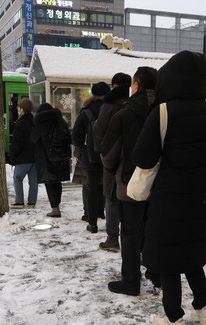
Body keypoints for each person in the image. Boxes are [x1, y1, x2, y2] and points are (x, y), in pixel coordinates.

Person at [132, 51, 206, 325]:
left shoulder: (163, 111)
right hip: (200, 198)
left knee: (167, 258)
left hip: (168, 199)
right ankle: (204, 308)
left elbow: (145, 157)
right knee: (191, 255)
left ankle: (174, 320)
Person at [101, 66, 158, 295]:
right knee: (154, 231)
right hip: (159, 185)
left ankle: (131, 281)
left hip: (129, 184)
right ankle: (157, 275)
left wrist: (114, 170)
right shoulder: (165, 112)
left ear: (136, 85)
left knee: (131, 233)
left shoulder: (124, 115)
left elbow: (107, 155)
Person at [94, 72, 132, 252]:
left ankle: (112, 238)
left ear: (114, 86)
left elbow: (100, 130)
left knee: (112, 197)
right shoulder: (137, 102)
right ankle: (132, 239)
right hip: (134, 158)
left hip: (113, 158)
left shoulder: (108, 105)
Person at [72, 81, 110, 233]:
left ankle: (92, 223)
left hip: (91, 157)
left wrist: (82, 150)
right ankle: (111, 223)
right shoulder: (112, 109)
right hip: (111, 156)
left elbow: (75, 136)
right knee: (110, 190)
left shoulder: (85, 112)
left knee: (92, 189)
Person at [31, 103, 71, 217]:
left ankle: (55, 208)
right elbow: (68, 138)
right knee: (57, 182)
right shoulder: (61, 122)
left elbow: (33, 139)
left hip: (46, 158)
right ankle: (57, 204)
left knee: (50, 183)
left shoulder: (40, 124)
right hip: (60, 157)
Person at [9, 98, 38, 209]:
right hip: (34, 157)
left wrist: (12, 157)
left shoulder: (20, 124)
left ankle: (19, 201)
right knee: (33, 181)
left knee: (17, 178)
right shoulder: (34, 122)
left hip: (23, 158)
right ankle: (32, 202)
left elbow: (17, 143)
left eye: (19, 107)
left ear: (22, 109)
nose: (18, 109)